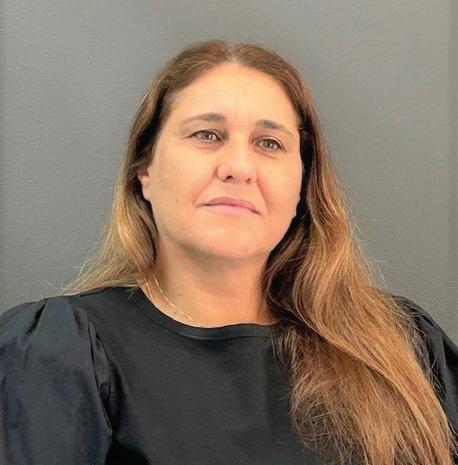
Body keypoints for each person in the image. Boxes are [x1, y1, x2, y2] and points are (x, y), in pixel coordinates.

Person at [1, 39, 457, 465]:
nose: (239, 167)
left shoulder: (401, 348)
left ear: (302, 184)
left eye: (269, 143)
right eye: (207, 135)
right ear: (145, 170)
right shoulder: (62, 355)